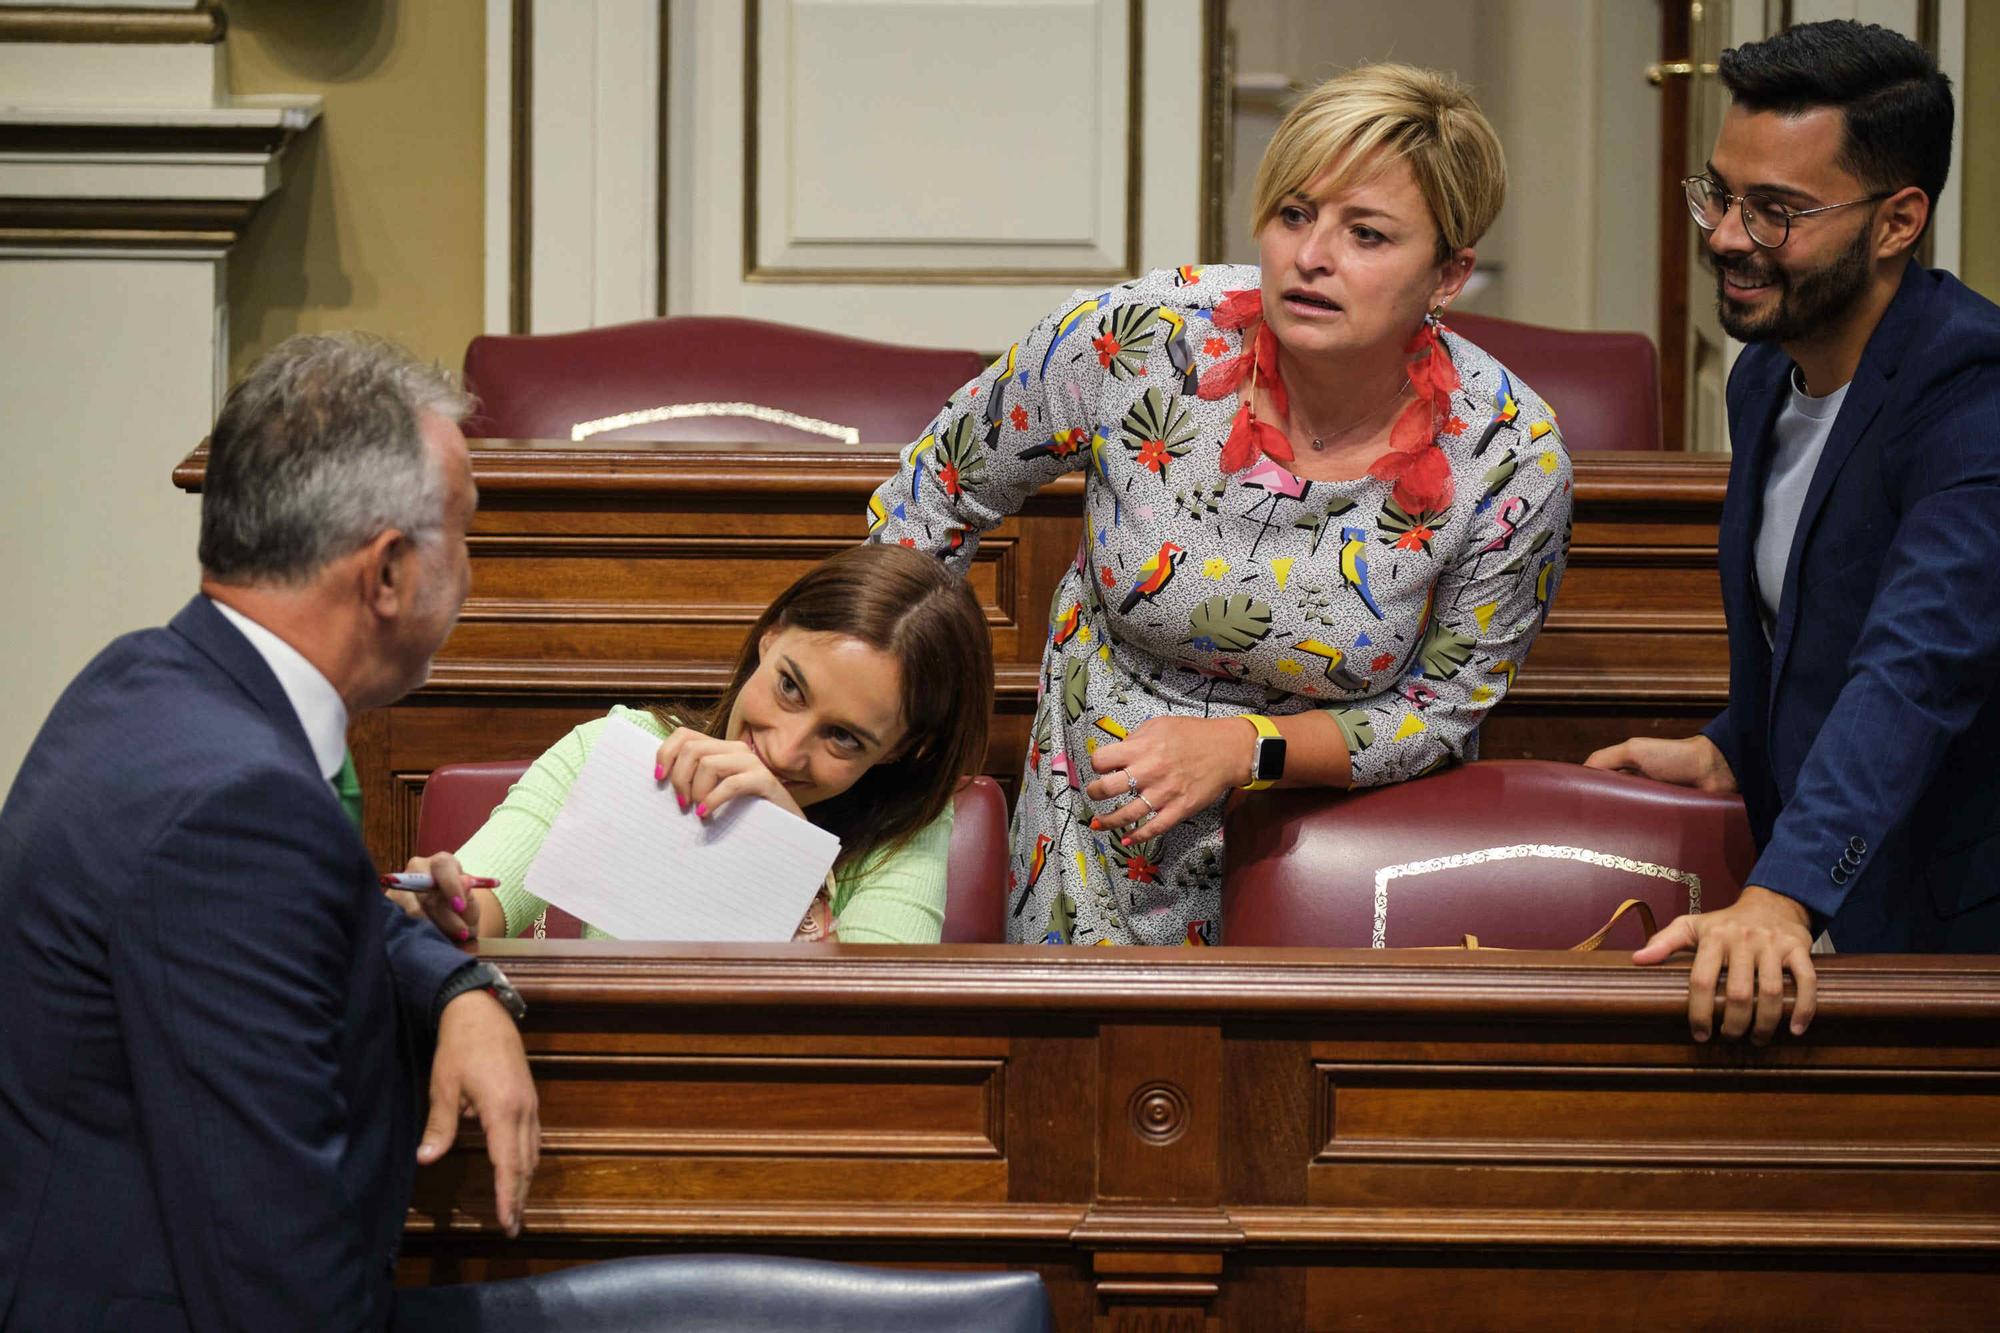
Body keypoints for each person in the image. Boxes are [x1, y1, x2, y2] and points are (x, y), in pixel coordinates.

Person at [867, 64, 1572, 946]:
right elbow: (938, 483)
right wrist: (893, 719)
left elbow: (1443, 710)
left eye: (1368, 234)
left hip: (1330, 862)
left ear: (1448, 274)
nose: (1312, 256)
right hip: (1090, 840)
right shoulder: (1145, 338)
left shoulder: (1510, 451)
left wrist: (1249, 749)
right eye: (1293, 214)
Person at [0, 334, 539, 1330]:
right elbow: (275, 1269)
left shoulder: (142, 680)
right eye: (463, 536)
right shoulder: (242, 807)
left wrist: (458, 981)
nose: (471, 570)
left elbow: (330, 908)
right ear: (385, 573)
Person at [1587, 21, 2000, 1043]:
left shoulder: (1971, 397)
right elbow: (1813, 621)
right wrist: (1733, 747)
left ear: (1897, 220)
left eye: (1775, 211)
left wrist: (1787, 893)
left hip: (1961, 926)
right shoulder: (1763, 373)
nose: (1726, 235)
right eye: (1718, 194)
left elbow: (1915, 665)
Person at [398, 544, 993, 945]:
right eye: (789, 687)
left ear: (900, 750)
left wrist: (786, 855)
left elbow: (878, 1043)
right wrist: (440, 907)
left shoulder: (909, 831)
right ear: (770, 637)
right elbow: (479, 910)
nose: (783, 753)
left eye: (843, 737)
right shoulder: (617, 748)